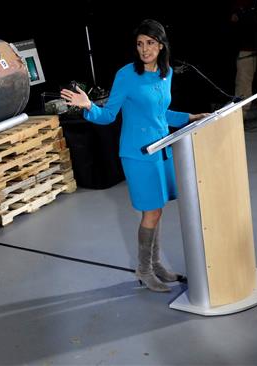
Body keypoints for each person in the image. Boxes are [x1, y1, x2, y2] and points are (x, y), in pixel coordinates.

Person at [60, 19, 209, 292]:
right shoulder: (126, 75)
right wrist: (88, 105)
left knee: (157, 210)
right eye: (140, 44)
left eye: (150, 43)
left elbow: (161, 113)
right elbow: (107, 116)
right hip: (137, 154)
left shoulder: (166, 75)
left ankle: (156, 265)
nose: (144, 49)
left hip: (161, 151)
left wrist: (190, 116)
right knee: (150, 211)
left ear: (161, 45)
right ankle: (144, 269)